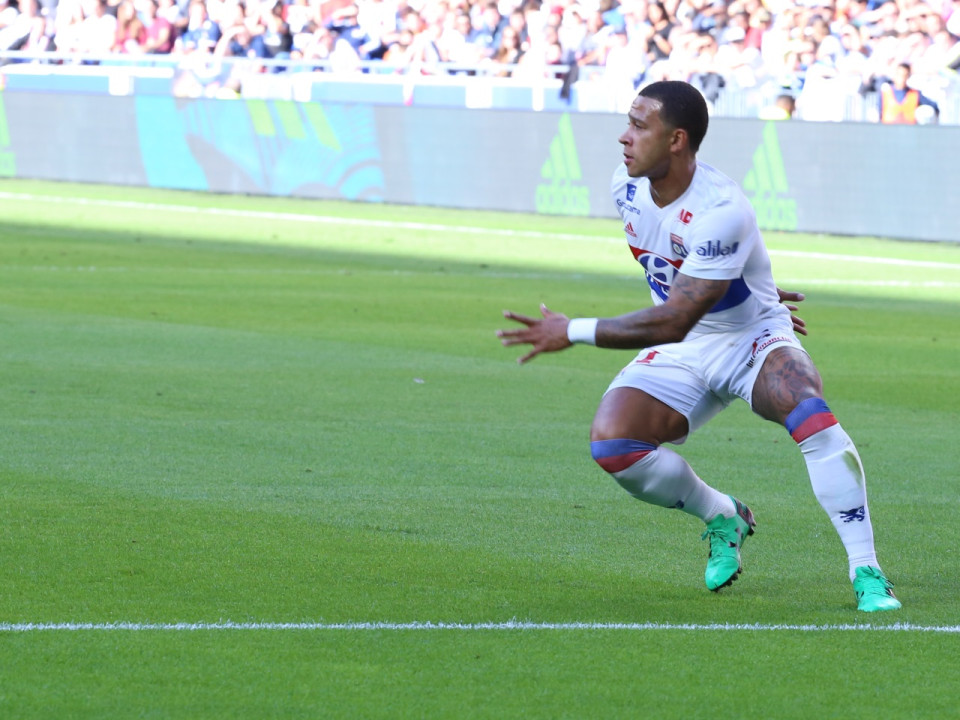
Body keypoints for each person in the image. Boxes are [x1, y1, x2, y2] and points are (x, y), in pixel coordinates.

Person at [497, 80, 901, 613]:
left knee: (809, 413)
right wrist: (729, 275)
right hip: (686, 346)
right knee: (615, 446)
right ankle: (722, 516)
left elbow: (675, 316)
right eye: (628, 121)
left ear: (677, 140)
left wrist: (571, 330)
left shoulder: (722, 208)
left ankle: (867, 570)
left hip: (749, 339)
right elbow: (668, 268)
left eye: (640, 126)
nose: (624, 137)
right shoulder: (626, 184)